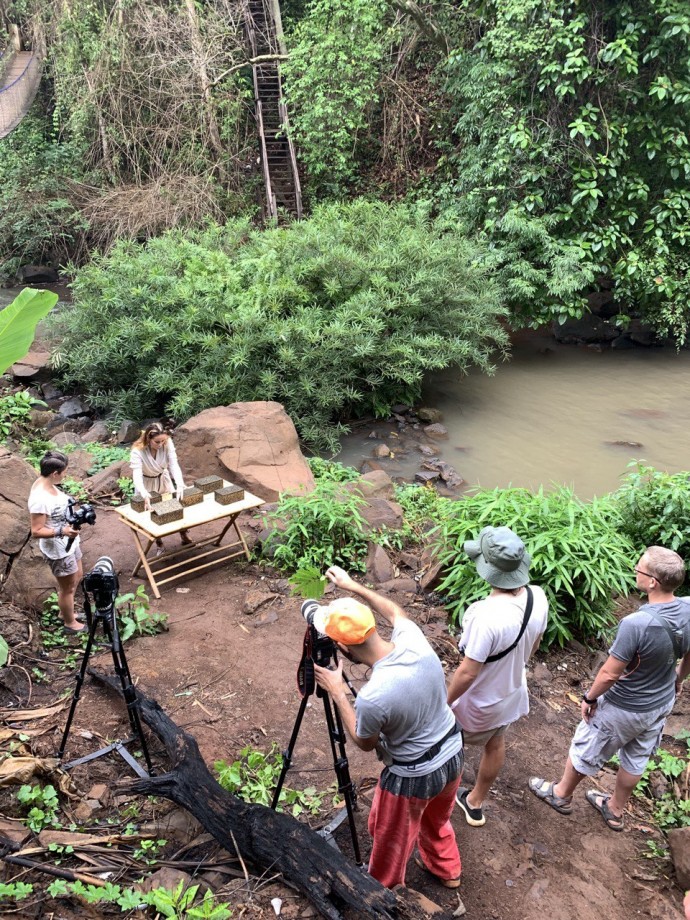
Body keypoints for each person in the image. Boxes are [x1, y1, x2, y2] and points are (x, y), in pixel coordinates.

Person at [313, 565, 464, 890]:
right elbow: (395, 610)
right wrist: (353, 586)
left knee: (391, 841)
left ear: (343, 649)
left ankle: (383, 891)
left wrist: (338, 692)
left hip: (413, 777)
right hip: (453, 753)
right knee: (437, 821)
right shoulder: (415, 640)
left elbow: (364, 742)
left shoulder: (374, 696)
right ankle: (447, 870)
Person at [529, 545, 690, 831]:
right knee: (637, 756)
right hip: (660, 703)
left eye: (639, 569)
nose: (635, 572)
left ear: (652, 582)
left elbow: (610, 673)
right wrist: (678, 678)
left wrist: (589, 697)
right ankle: (614, 809)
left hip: (624, 706)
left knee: (588, 745)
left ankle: (560, 794)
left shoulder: (636, 623)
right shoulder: (688, 609)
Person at [447, 526, 548, 827]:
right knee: (496, 742)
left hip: (477, 703)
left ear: (486, 569)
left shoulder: (483, 615)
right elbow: (536, 643)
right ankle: (475, 801)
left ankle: (439, 799)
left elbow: (467, 672)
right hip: (512, 692)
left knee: (448, 746)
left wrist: (444, 701)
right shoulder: (537, 597)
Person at [28, 450, 85, 633]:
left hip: (69, 542)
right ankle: (70, 623)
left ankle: (66, 612)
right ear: (55, 473)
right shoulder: (39, 499)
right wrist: (62, 530)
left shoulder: (45, 481)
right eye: (64, 472)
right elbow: (36, 530)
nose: (65, 475)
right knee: (67, 588)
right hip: (58, 549)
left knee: (77, 577)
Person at [130, 421, 191, 548]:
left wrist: (179, 483)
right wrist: (143, 492)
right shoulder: (137, 451)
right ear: (148, 438)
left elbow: (173, 464)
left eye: (163, 441)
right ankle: (159, 543)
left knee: (174, 505)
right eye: (157, 442)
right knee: (152, 513)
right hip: (146, 483)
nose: (161, 444)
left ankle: (183, 534)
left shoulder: (167, 442)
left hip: (163, 479)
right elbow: (136, 474)